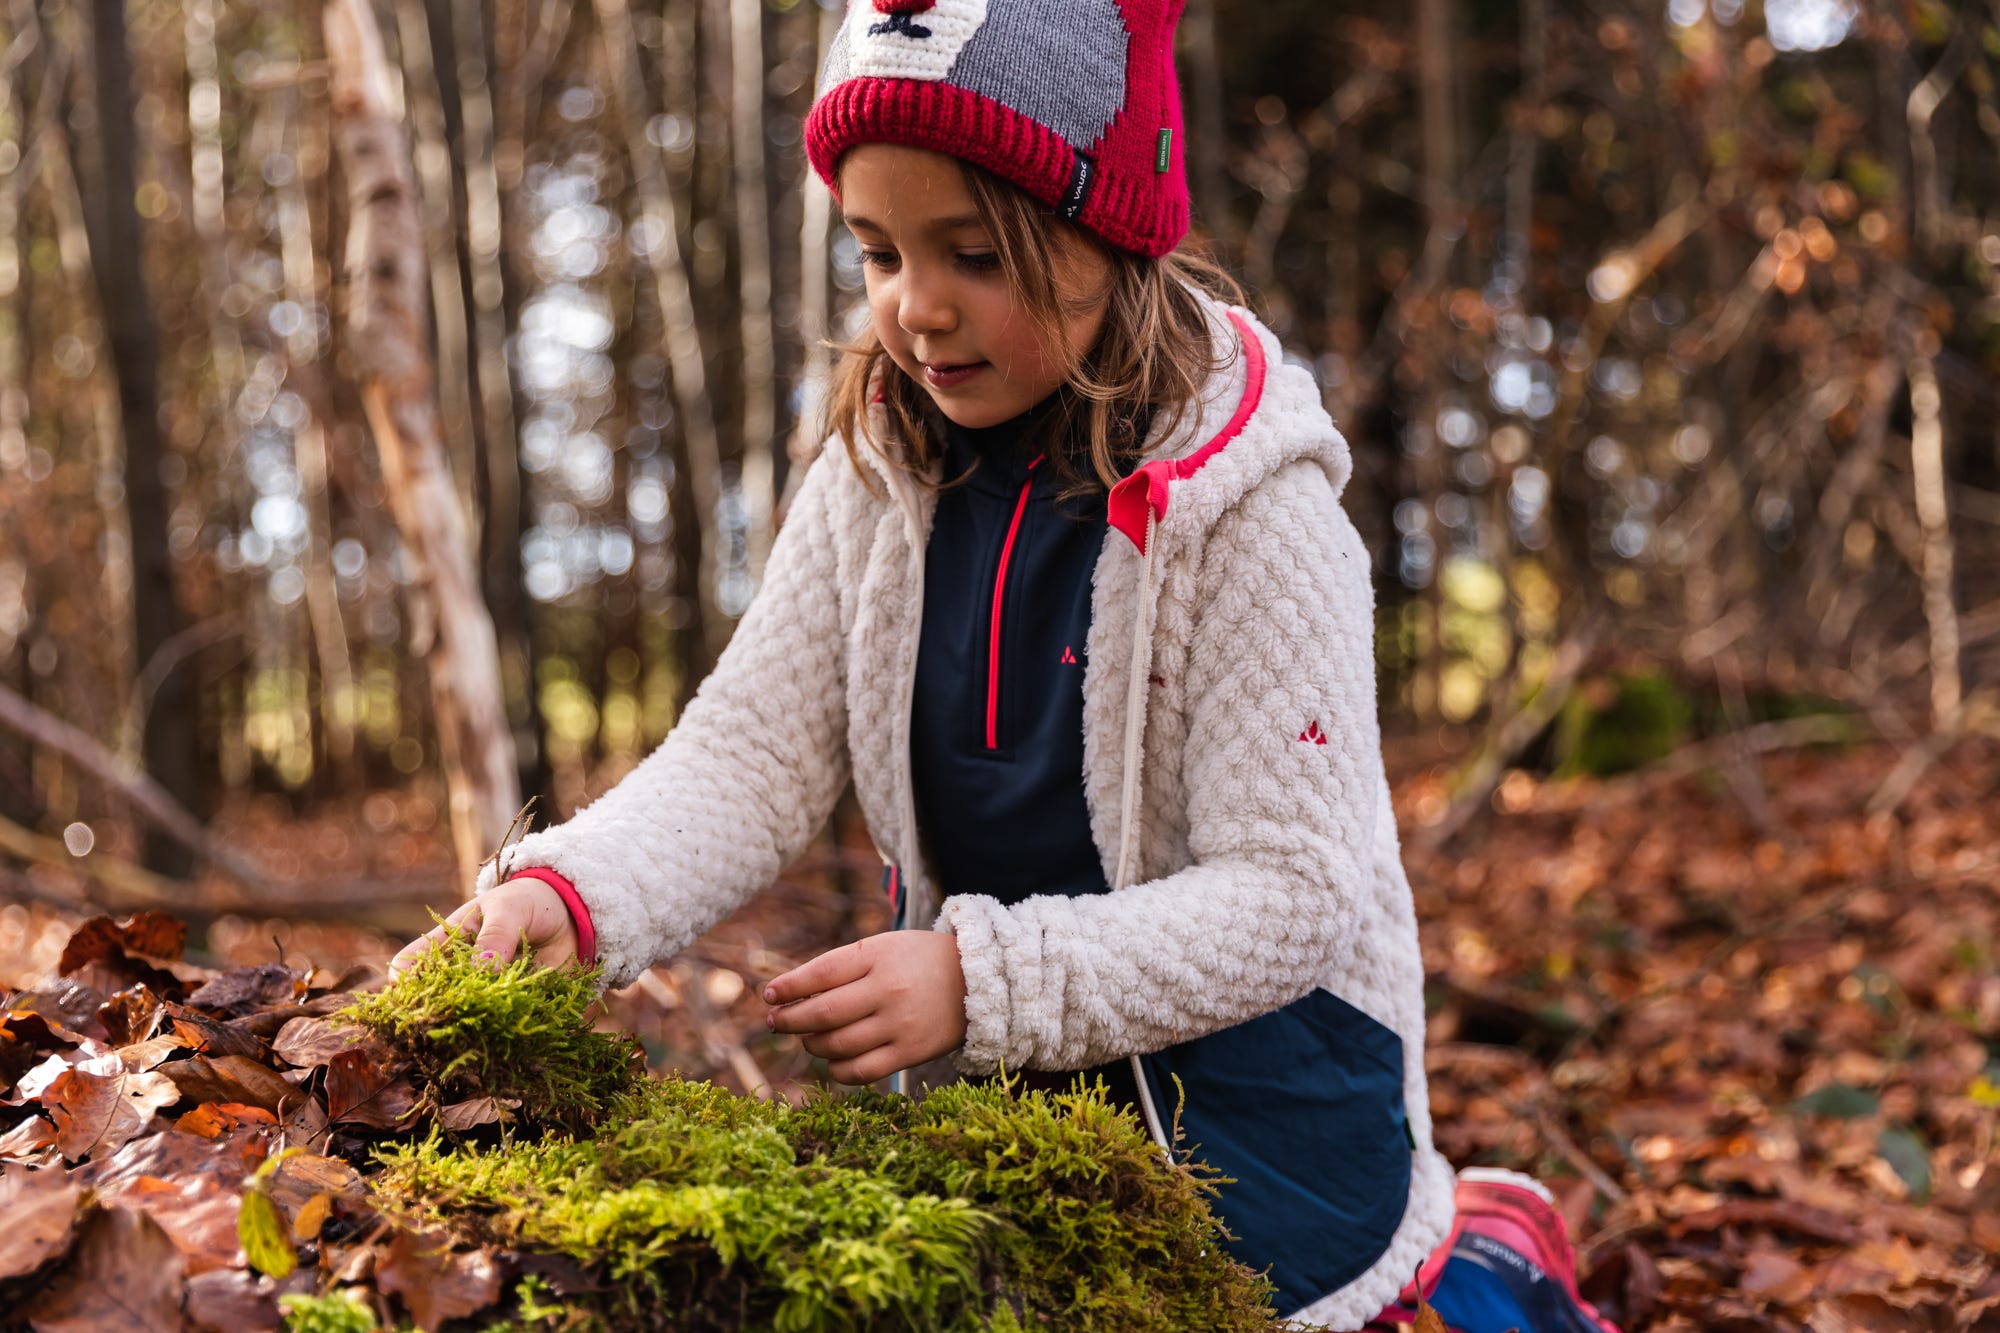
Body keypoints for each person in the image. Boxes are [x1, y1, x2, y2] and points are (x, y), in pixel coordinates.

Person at [392, 4, 1618, 1330]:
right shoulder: (883, 463)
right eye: (878, 253)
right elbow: (751, 751)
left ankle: (1494, 1259)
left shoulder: (1250, 505)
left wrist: (981, 980)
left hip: (1265, 1103)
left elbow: (1295, 893)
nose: (919, 307)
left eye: (974, 254)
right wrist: (576, 894)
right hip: (1008, 1097)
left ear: (1107, 229)